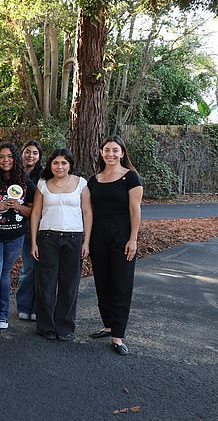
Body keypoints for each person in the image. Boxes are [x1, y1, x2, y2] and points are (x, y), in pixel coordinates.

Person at [88, 137, 143, 356]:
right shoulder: (94, 180)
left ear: (122, 153)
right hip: (98, 236)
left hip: (122, 236)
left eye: (115, 150)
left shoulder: (130, 177)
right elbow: (89, 212)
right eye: (106, 150)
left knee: (121, 284)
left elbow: (135, 210)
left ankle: (118, 335)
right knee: (102, 282)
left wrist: (133, 239)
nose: (110, 153)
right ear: (101, 153)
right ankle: (108, 324)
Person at [30, 149, 92, 341]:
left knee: (69, 283)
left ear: (70, 165)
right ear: (50, 165)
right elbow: (36, 214)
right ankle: (46, 326)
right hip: (48, 238)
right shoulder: (43, 184)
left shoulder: (81, 183)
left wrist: (86, 241)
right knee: (46, 284)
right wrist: (33, 242)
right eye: (55, 163)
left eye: (64, 163)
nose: (59, 166)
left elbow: (87, 212)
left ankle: (64, 327)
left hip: (74, 238)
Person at [0, 143, 35, 336]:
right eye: (2, 156)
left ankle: (3, 315)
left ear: (16, 159)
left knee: (5, 275)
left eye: (10, 156)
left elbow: (35, 211)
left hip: (15, 237)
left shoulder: (26, 182)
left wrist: (18, 207)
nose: (6, 160)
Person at [16, 140, 43, 322]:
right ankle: (24, 305)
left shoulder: (43, 176)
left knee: (42, 269)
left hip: (43, 227)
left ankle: (37, 307)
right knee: (28, 268)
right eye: (27, 152)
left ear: (39, 156)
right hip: (22, 228)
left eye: (34, 153)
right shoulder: (14, 173)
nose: (30, 156)